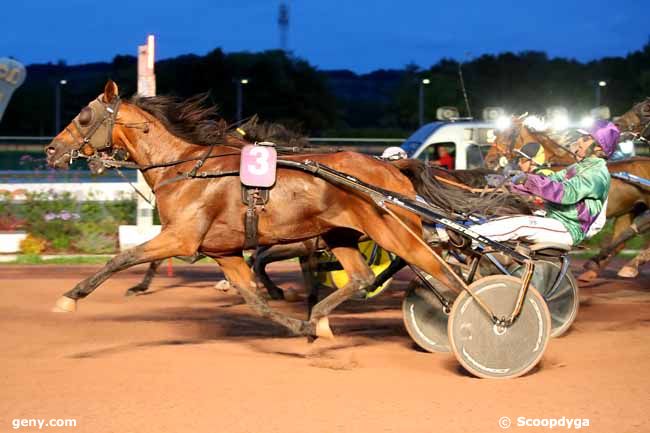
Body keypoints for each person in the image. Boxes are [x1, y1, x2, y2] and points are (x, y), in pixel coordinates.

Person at [472, 120, 618, 246]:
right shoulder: (579, 166)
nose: (579, 141)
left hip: (568, 228)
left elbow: (565, 193)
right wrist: (510, 185)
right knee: (504, 217)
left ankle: (467, 237)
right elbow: (549, 182)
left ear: (599, 146)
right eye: (581, 137)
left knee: (519, 225)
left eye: (586, 139)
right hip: (552, 218)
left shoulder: (597, 173)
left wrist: (527, 179)